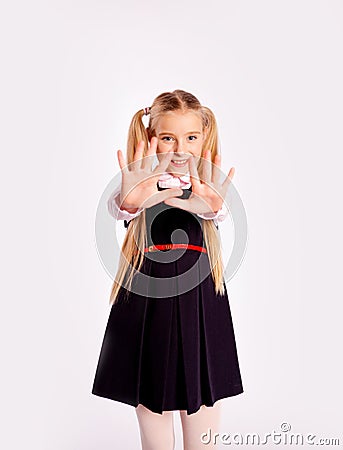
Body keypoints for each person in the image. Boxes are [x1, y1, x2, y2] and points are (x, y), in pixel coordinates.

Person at [92, 89, 244, 450]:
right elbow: (123, 207)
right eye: (167, 138)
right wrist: (130, 201)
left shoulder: (208, 191)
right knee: (152, 414)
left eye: (191, 137)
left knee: (203, 415)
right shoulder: (139, 185)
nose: (180, 148)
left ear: (204, 138)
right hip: (147, 300)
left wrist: (211, 204)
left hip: (201, 300)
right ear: (150, 139)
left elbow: (214, 212)